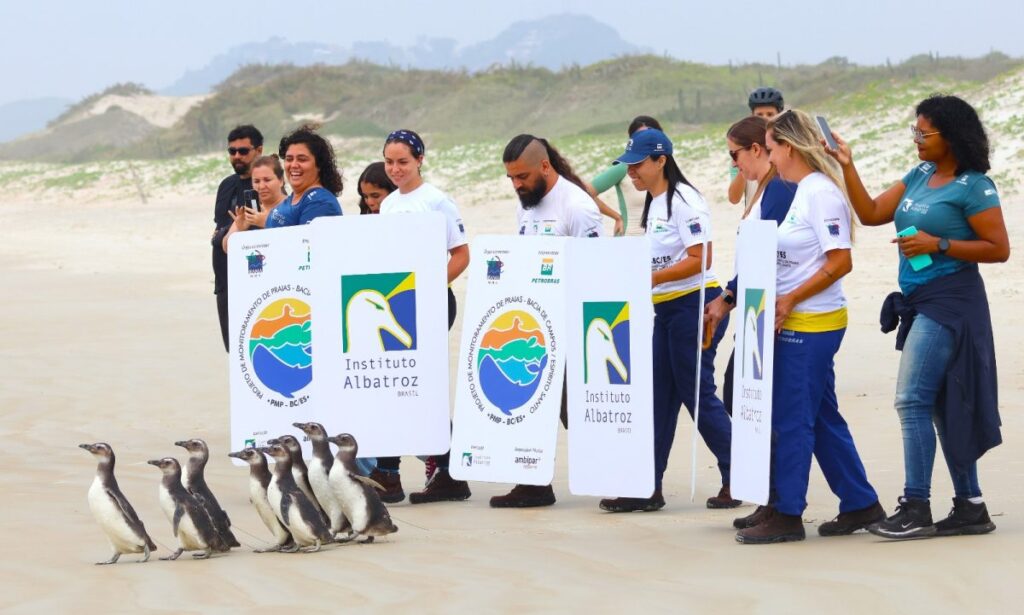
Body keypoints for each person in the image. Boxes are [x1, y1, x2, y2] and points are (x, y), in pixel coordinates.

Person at [826, 95, 1009, 539]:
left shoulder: (973, 186)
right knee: (943, 405)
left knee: (911, 400)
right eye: (915, 132)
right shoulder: (920, 174)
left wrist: (939, 245)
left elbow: (999, 249)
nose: (916, 140)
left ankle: (916, 506)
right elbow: (870, 213)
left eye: (924, 133)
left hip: (953, 301)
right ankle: (970, 506)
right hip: (921, 298)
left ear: (951, 135)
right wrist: (846, 164)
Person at [734, 110, 882, 544]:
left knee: (793, 418)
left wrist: (791, 298)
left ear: (790, 148)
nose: (771, 155)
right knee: (821, 414)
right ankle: (860, 502)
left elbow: (842, 261)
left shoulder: (820, 194)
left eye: (774, 147)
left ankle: (787, 514)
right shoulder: (798, 191)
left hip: (813, 323)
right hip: (792, 316)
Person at [598, 128, 737, 513]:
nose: (631, 173)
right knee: (658, 398)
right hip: (668, 310)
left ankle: (738, 473)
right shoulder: (653, 201)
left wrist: (651, 277)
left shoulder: (684, 199)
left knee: (697, 396)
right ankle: (647, 486)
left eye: (638, 165)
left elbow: (701, 258)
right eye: (628, 166)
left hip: (696, 306)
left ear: (661, 160)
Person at [488, 133, 604, 508]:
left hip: (569, 324)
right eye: (511, 178)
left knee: (577, 411)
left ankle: (621, 475)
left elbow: (595, 270)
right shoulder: (527, 205)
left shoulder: (578, 206)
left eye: (521, 177)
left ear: (544, 166)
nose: (517, 185)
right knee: (532, 404)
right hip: (535, 324)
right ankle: (533, 483)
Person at [704, 115, 797, 529]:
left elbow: (766, 258)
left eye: (734, 155)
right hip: (755, 312)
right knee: (741, 398)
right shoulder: (762, 191)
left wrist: (727, 297)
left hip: (770, 315)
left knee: (752, 402)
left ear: (756, 150)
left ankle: (777, 500)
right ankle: (769, 498)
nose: (734, 164)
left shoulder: (777, 190)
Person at [374, 129, 471, 505]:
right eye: (389, 162)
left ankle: (449, 473)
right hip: (396, 307)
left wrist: (428, 288)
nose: (395, 169)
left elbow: (461, 254)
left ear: (419, 160)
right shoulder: (388, 205)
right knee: (391, 384)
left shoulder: (436, 202)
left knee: (418, 387)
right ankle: (389, 472)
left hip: (431, 305)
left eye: (402, 162)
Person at [211, 125, 263, 351]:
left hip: (257, 278)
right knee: (234, 350)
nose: (237, 156)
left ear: (258, 150)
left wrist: (226, 234)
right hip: (225, 282)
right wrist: (231, 231)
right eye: (232, 151)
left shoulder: (266, 184)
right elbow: (218, 232)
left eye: (243, 151)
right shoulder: (227, 185)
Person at [585, 115, 664, 236]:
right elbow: (585, 193)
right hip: (629, 241)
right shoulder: (624, 167)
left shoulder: (664, 165)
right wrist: (617, 217)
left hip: (659, 245)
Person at [265, 124, 343, 227]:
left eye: (302, 159)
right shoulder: (293, 198)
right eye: (289, 159)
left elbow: (305, 242)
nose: (293, 165)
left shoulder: (320, 202)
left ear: (319, 164)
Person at [728, 88, 785, 209]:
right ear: (751, 117)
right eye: (759, 115)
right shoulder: (741, 152)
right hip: (754, 222)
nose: (765, 119)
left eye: (770, 114)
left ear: (779, 116)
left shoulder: (787, 148)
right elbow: (734, 198)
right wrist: (743, 165)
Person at [220, 155, 288, 251]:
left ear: (281, 181)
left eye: (267, 180)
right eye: (256, 181)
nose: (261, 186)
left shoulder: (293, 206)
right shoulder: (250, 211)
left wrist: (267, 223)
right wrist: (239, 229)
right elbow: (227, 248)